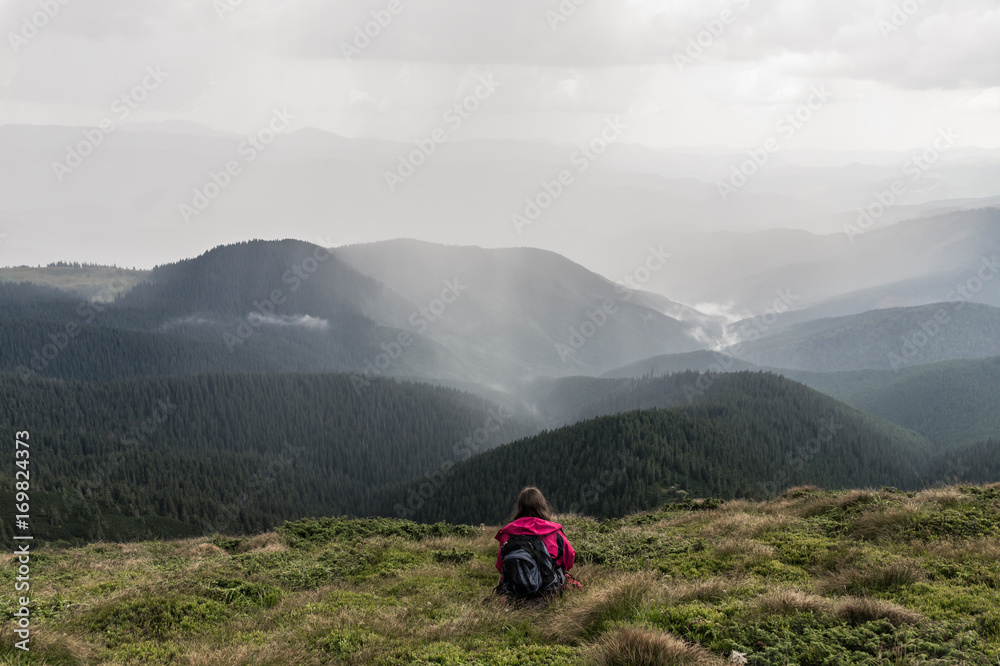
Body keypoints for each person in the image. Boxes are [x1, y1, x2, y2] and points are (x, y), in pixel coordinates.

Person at [494, 487, 578, 600]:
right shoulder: (555, 532)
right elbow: (569, 561)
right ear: (542, 506)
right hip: (548, 589)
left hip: (516, 587)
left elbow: (501, 566)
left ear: (520, 507)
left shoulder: (508, 533)